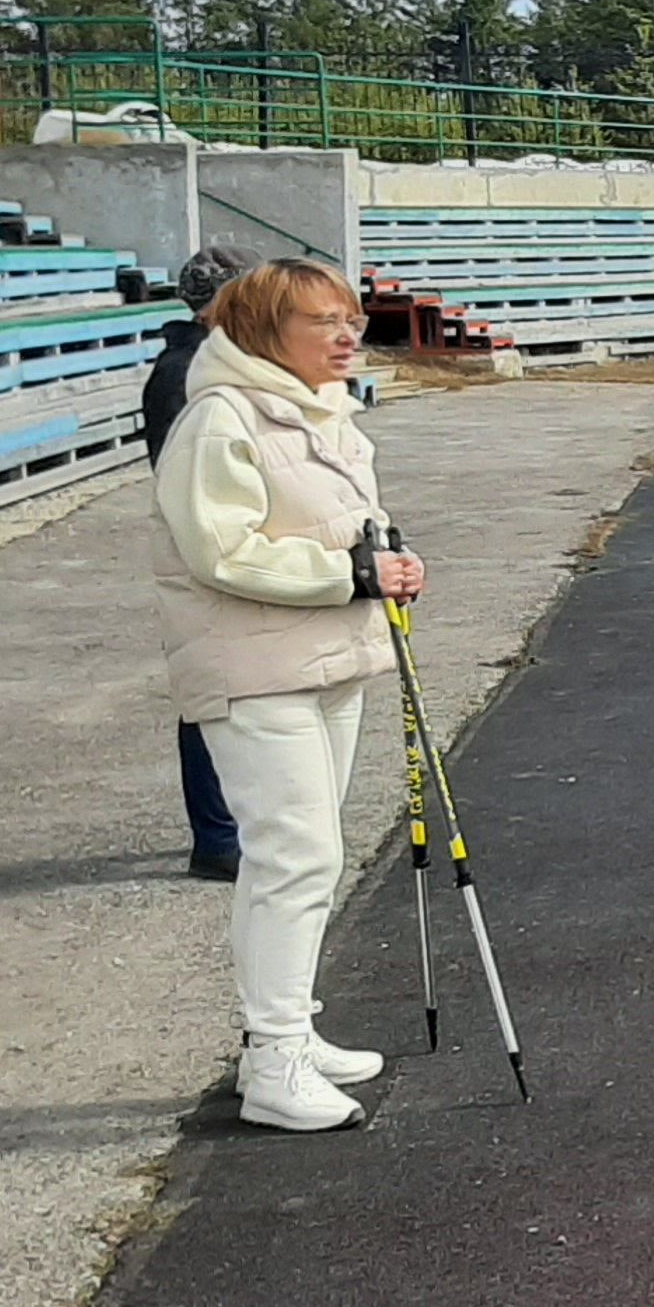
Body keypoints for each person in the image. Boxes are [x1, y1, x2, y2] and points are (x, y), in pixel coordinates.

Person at [153, 256, 427, 1133]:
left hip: (322, 658)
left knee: (313, 853)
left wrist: (385, 559)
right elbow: (221, 552)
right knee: (293, 855)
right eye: (324, 322)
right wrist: (351, 572)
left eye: (352, 319)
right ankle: (273, 1059)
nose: (348, 336)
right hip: (253, 666)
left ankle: (288, 1033)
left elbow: (333, 527)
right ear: (267, 332)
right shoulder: (219, 418)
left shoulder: (321, 412)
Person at [145, 244, 270, 883]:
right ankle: (217, 837)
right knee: (212, 691)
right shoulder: (185, 374)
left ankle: (234, 826)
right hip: (208, 551)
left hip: (232, 541)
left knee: (239, 686)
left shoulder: (221, 364)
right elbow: (192, 477)